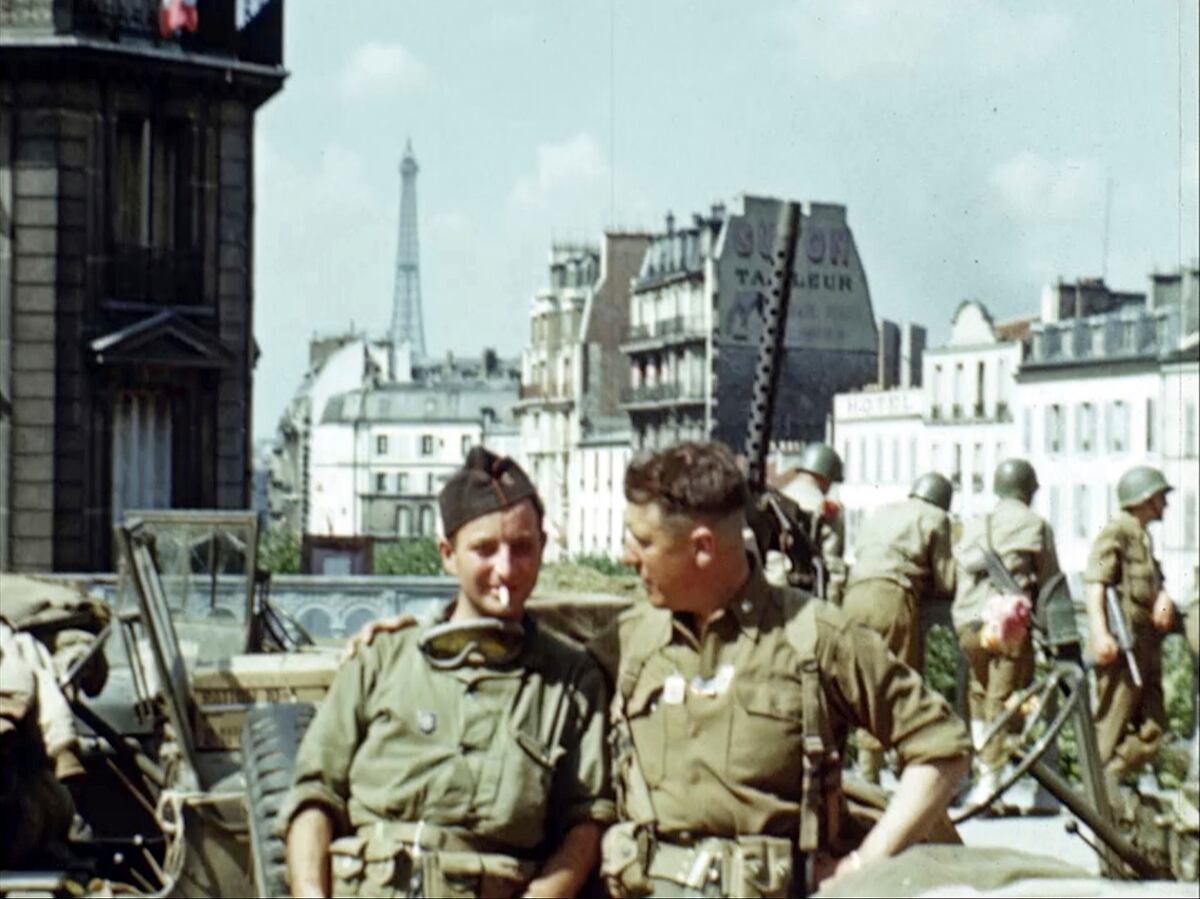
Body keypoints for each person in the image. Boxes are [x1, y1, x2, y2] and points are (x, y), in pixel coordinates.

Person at [592, 441, 970, 897]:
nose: (626, 556)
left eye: (644, 541)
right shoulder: (630, 640)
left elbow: (941, 748)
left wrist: (863, 864)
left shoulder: (815, 636)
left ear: (703, 548)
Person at [280, 447, 614, 899]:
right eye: (484, 549)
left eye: (522, 548)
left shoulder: (569, 682)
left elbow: (586, 821)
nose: (506, 569)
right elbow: (315, 795)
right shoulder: (383, 660)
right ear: (447, 554)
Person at [951, 458, 1060, 808]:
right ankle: (990, 784)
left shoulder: (976, 523)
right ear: (1028, 490)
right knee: (1005, 700)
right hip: (1006, 626)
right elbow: (1051, 584)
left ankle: (983, 776)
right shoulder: (1035, 525)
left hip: (969, 623)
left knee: (980, 696)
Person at [842, 472, 957, 784]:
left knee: (865, 681)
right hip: (891, 597)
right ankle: (898, 767)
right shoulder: (936, 517)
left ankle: (866, 769)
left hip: (853, 596)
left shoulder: (883, 512)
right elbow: (947, 580)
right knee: (895, 682)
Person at [1084, 465, 1176, 797]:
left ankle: (1109, 779)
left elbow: (1154, 582)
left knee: (1154, 727)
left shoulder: (1142, 536)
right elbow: (1096, 582)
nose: (1164, 504)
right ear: (1144, 500)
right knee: (1109, 726)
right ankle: (1097, 797)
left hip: (1144, 647)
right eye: (1160, 498)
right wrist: (1100, 634)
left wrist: (1164, 596)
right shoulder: (1117, 532)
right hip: (1121, 650)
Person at [779, 442, 847, 604]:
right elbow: (833, 566)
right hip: (809, 600)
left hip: (774, 595)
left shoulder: (778, 499)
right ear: (825, 477)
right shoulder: (826, 508)